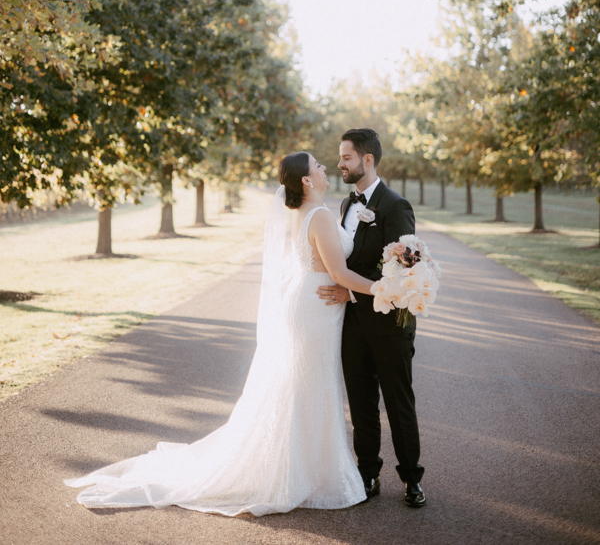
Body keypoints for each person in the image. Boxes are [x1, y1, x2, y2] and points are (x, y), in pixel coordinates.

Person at [65, 152, 379, 516]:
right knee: (309, 386)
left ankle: (306, 471)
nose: (325, 168)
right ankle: (303, 475)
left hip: (313, 305)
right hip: (314, 308)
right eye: (318, 166)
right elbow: (338, 274)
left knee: (305, 386)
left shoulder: (308, 213)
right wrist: (386, 290)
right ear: (307, 181)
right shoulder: (320, 215)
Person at [317, 128, 426, 507]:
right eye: (340, 157)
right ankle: (367, 475)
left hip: (391, 327)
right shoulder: (346, 207)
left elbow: (402, 272)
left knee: (399, 402)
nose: (339, 164)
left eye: (346, 157)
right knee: (361, 404)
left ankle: (412, 479)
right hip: (352, 324)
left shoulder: (396, 206)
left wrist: (350, 289)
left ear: (367, 160)